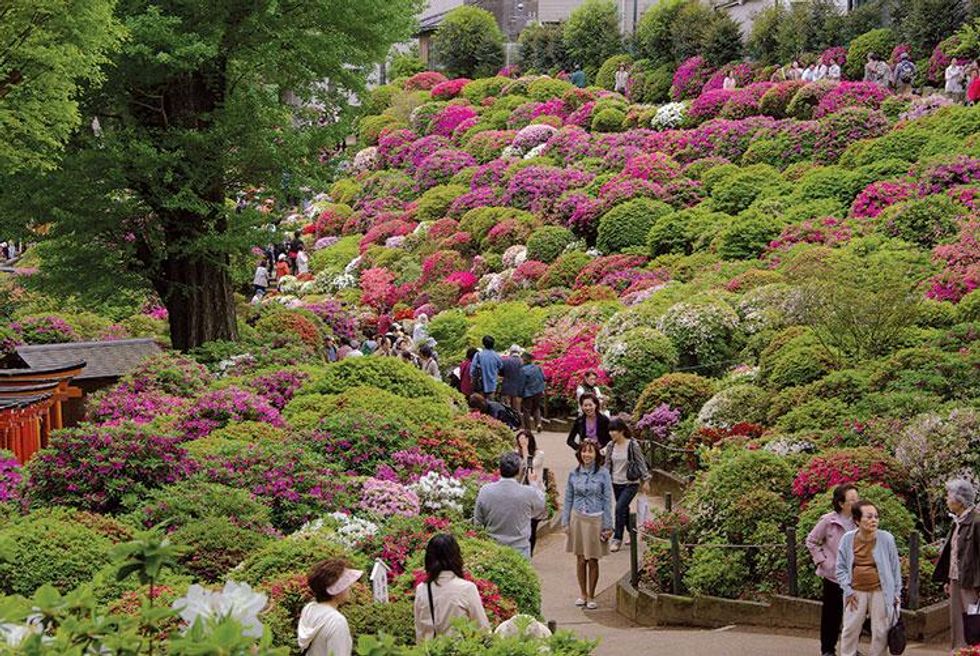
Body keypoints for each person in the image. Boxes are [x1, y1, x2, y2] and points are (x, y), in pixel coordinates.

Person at [835, 500, 902, 656]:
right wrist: (847, 589)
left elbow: (894, 568)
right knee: (850, 628)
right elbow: (841, 568)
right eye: (869, 517)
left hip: (880, 590)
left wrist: (896, 593)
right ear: (857, 520)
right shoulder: (847, 539)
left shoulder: (886, 538)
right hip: (855, 591)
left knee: (880, 630)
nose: (874, 520)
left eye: (876, 517)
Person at [806, 484, 859, 656]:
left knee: (853, 616)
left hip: (854, 576)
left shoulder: (859, 520)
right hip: (833, 576)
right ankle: (828, 649)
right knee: (831, 614)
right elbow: (811, 541)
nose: (856, 502)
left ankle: (850, 648)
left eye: (857, 499)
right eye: (852, 500)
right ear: (841, 503)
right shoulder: (829, 521)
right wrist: (823, 561)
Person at [562, 440, 614, 610]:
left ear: (596, 454)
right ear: (580, 453)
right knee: (580, 559)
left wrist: (608, 525)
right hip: (578, 517)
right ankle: (582, 593)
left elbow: (607, 500)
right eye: (584, 451)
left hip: (595, 519)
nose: (587, 455)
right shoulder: (573, 474)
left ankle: (592, 595)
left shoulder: (603, 474)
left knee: (592, 559)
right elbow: (568, 498)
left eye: (590, 452)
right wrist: (565, 521)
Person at [414, 534, 490, 642]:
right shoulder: (466, 589)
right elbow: (483, 629)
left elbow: (420, 633)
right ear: (456, 557)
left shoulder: (422, 590)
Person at [933, 478, 980, 650]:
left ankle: (972, 651)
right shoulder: (958, 521)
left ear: (959, 500)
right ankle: (960, 651)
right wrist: (947, 578)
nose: (946, 499)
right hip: (955, 578)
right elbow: (952, 553)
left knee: (973, 621)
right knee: (957, 621)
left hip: (972, 582)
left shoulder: (976, 521)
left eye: (948, 496)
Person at [473, 452, 546, 558]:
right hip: (520, 548)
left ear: (499, 469)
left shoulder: (485, 490)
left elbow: (478, 520)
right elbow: (541, 507)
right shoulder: (527, 492)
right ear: (519, 471)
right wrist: (533, 483)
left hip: (492, 547)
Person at [297, 559, 363, 656]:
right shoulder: (337, 621)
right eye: (345, 584)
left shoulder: (309, 609)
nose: (349, 587)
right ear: (336, 590)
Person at [604, 417, 649, 553]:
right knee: (624, 510)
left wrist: (646, 480)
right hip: (615, 482)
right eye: (610, 431)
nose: (612, 434)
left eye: (614, 431)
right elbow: (607, 464)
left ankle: (617, 538)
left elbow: (641, 462)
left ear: (622, 431)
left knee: (619, 508)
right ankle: (633, 531)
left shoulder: (632, 445)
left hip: (630, 483)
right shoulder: (611, 446)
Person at [515, 429, 548, 556]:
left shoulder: (539, 454)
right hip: (520, 494)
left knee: (532, 526)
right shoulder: (516, 454)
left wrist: (525, 450)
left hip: (535, 493)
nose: (522, 443)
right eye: (520, 441)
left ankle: (530, 554)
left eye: (525, 440)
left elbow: (530, 468)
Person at [520, 351, 546, 432]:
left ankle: (528, 429)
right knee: (536, 408)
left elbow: (521, 382)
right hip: (538, 391)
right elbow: (544, 378)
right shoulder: (537, 367)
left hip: (528, 393)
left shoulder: (523, 370)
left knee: (526, 410)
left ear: (524, 360)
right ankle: (538, 424)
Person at [499, 345, 524, 415]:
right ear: (519, 352)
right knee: (517, 409)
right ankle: (519, 422)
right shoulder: (522, 362)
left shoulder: (505, 361)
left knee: (507, 407)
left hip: (507, 386)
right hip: (518, 388)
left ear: (510, 352)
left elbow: (500, 372)